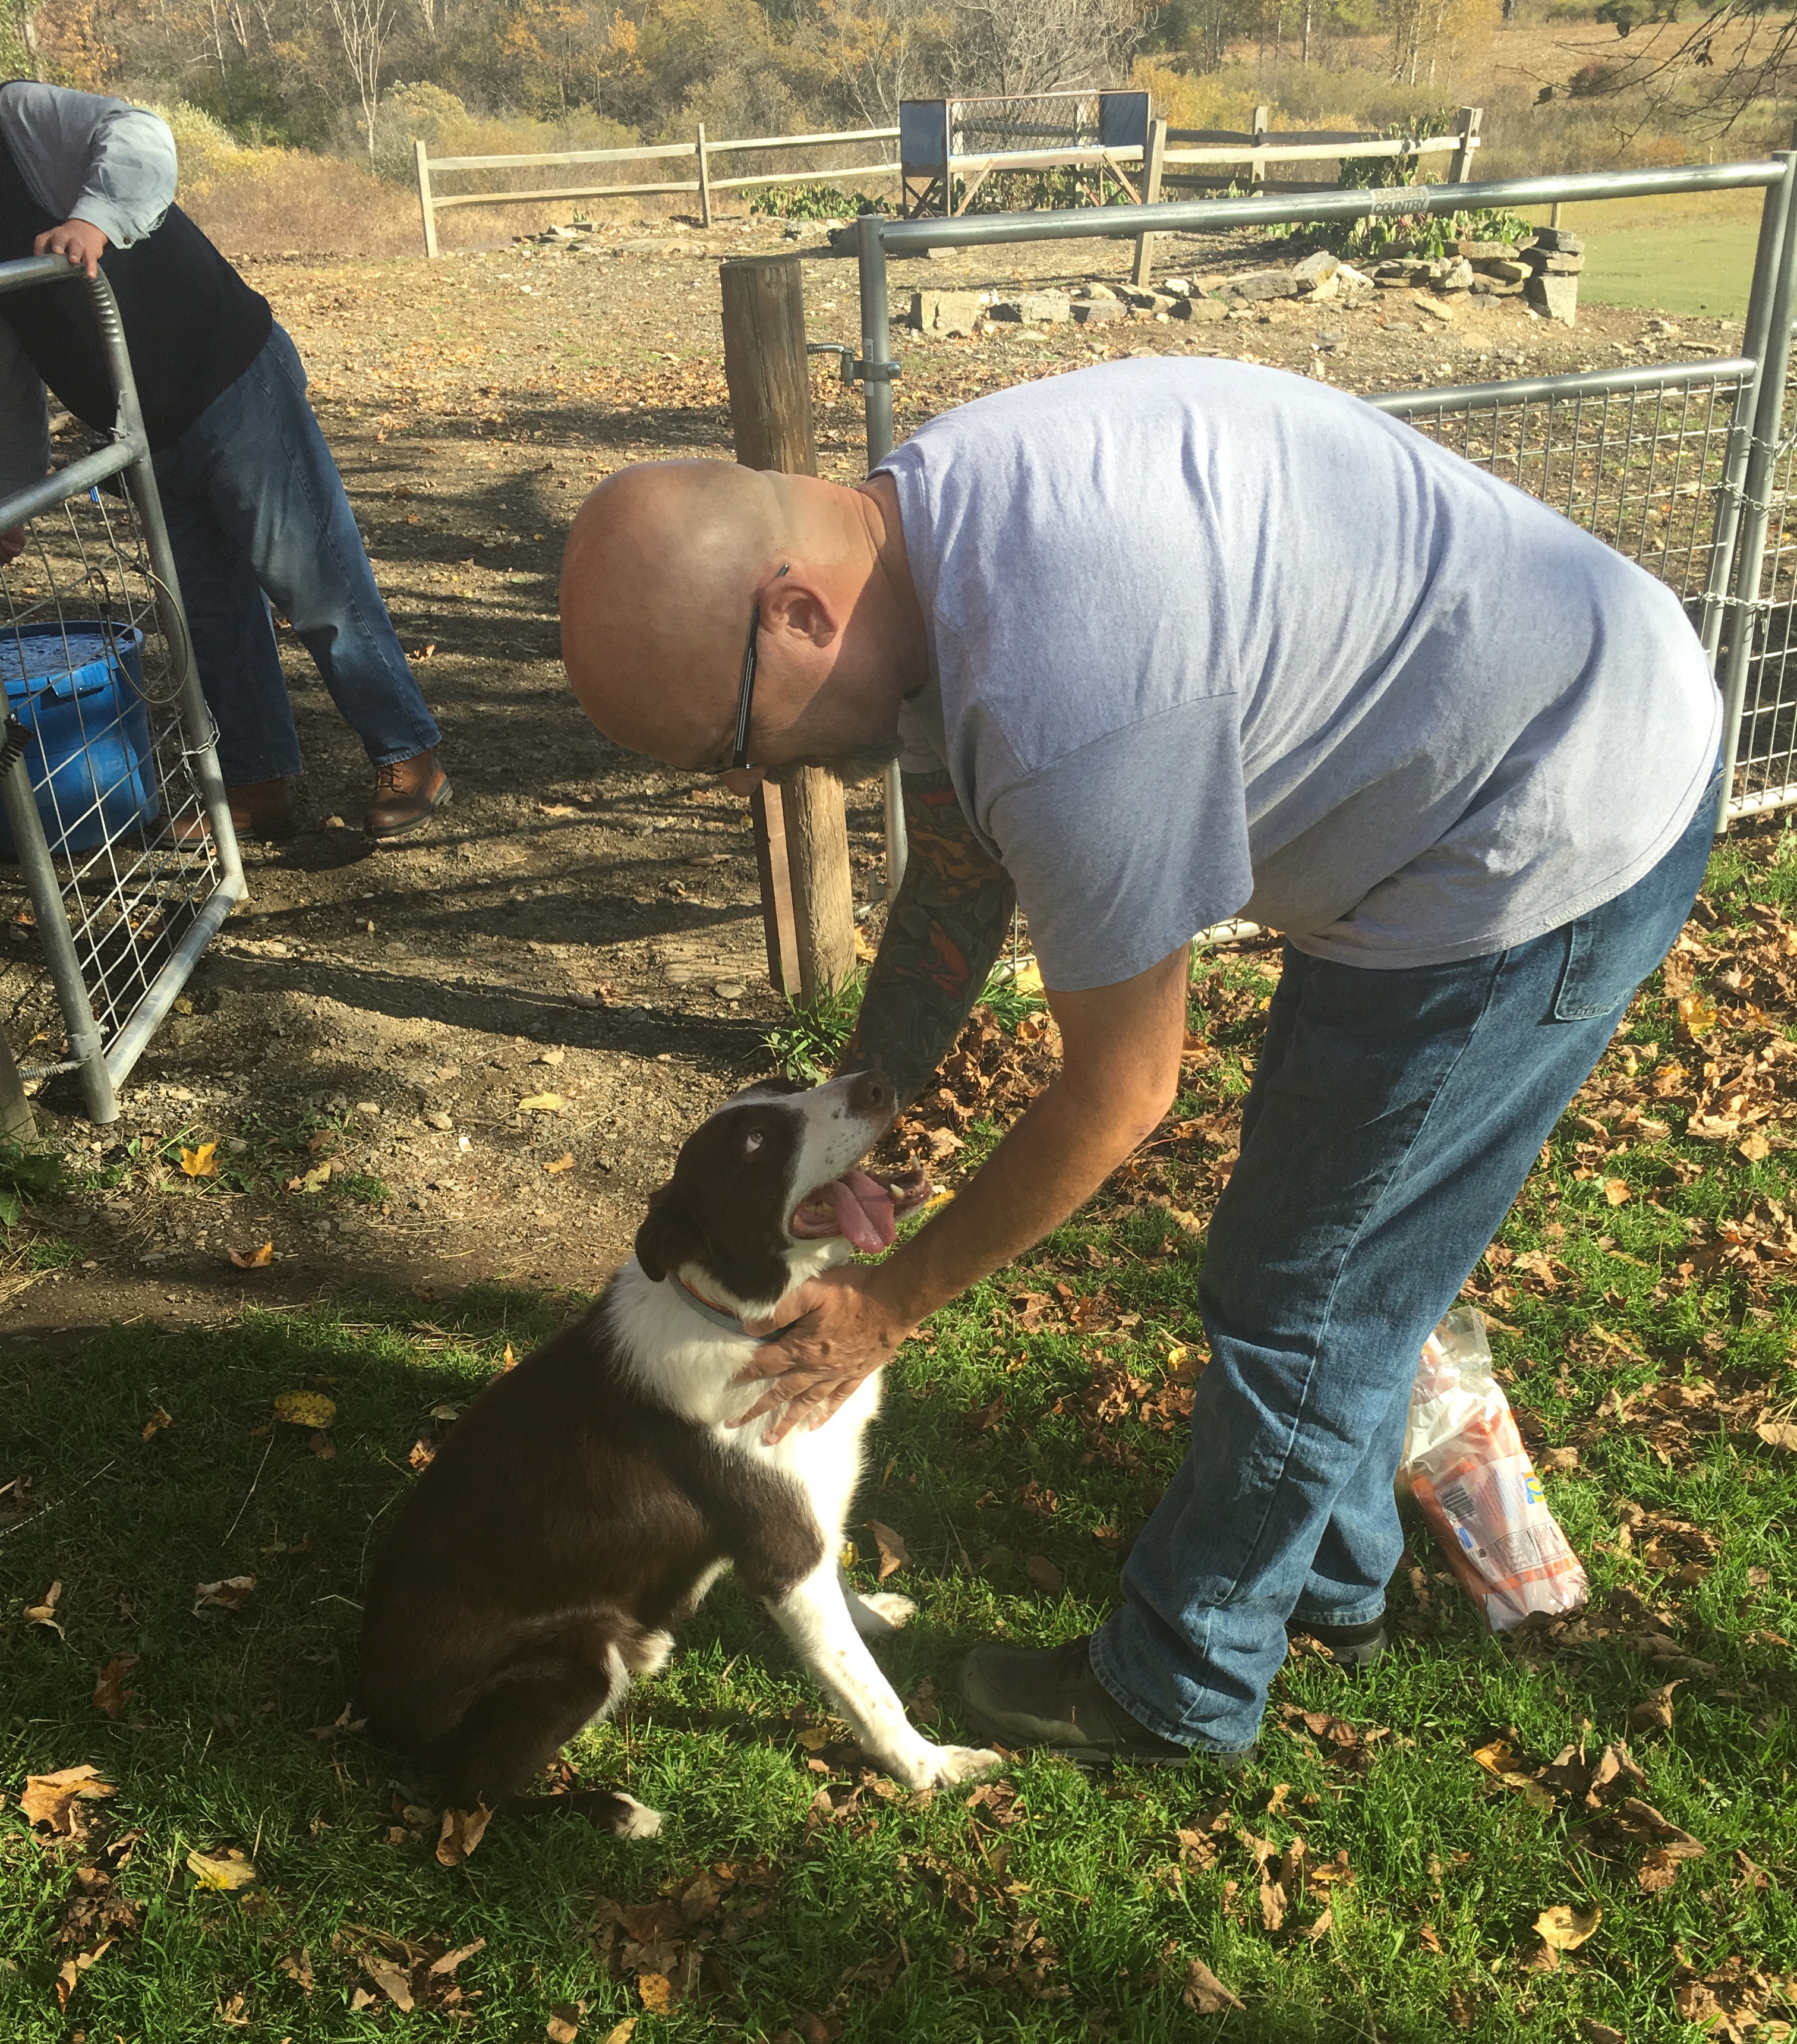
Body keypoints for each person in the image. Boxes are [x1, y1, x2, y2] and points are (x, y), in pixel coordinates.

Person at [557, 356, 1720, 1769]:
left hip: (1547, 815)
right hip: (1462, 778)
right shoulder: (923, 540)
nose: (754, 781)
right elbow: (963, 862)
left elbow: (1121, 1092)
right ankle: (1332, 1584)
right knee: (1327, 1254)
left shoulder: (1069, 700)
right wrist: (859, 1105)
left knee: (1300, 1296)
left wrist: (884, 1307)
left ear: (797, 613)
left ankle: (1184, 1684)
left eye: (729, 743)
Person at [0, 80, 447, 842]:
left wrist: (93, 218)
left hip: (230, 375)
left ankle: (410, 752)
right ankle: (256, 782)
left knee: (315, 580)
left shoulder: (16, 119)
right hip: (142, 432)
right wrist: (13, 494)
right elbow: (8, 370)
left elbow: (140, 133)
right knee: (208, 615)